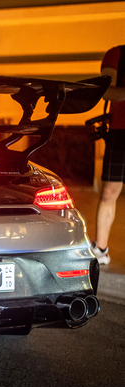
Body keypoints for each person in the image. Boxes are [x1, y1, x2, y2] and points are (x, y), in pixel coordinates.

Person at [92, 44, 125, 264]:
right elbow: (105, 90)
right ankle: (100, 250)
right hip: (121, 130)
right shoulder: (118, 54)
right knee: (109, 192)